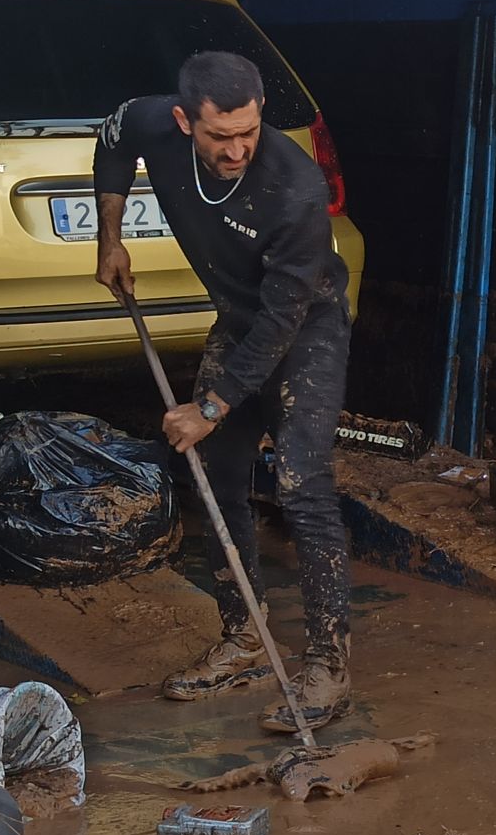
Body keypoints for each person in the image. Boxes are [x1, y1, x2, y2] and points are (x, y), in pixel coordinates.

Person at [93, 52, 354, 733]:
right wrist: (110, 237)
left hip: (305, 324)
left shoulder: (293, 189)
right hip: (240, 319)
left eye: (249, 131)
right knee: (212, 471)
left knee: (300, 480)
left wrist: (211, 407)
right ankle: (244, 638)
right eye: (220, 137)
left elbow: (280, 323)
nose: (237, 148)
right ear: (185, 121)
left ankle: (328, 662)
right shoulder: (155, 122)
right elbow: (111, 140)